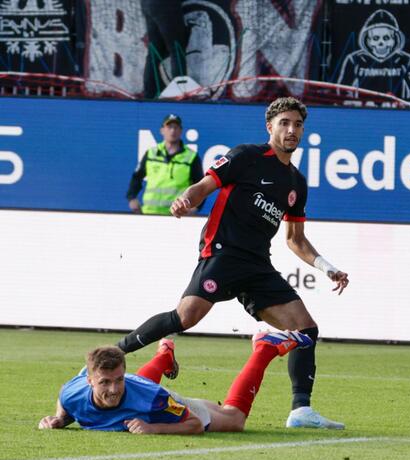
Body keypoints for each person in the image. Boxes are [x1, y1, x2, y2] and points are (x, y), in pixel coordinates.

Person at [115, 96, 349, 430]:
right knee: (185, 317)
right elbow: (204, 185)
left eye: (297, 124)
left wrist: (327, 267)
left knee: (305, 329)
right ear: (270, 127)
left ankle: (301, 411)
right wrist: (186, 200)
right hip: (223, 253)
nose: (291, 130)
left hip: (257, 265)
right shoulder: (247, 156)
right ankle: (114, 353)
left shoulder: (296, 183)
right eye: (284, 123)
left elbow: (295, 239)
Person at [39, 331, 311, 434]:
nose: (112, 388)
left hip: (157, 399)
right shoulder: (72, 392)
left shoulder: (152, 398)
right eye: (104, 382)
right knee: (134, 391)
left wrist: (152, 428)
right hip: (141, 390)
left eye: (117, 379)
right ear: (89, 381)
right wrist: (58, 420)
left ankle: (265, 347)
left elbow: (193, 424)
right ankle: (165, 355)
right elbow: (65, 402)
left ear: (124, 371)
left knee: (233, 420)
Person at [127, 113, 203, 215]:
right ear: (162, 130)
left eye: (176, 127)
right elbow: (137, 177)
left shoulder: (191, 157)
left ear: (181, 131)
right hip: (149, 213)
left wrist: (196, 208)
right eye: (169, 127)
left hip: (177, 215)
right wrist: (132, 198)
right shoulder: (151, 153)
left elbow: (201, 186)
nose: (173, 131)